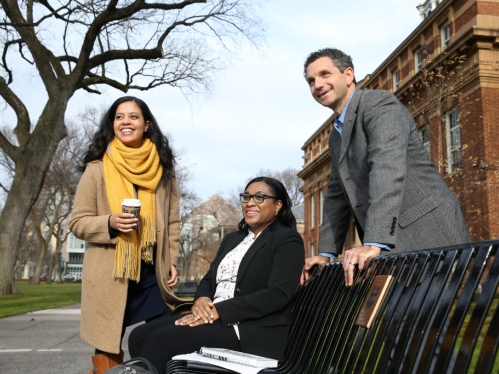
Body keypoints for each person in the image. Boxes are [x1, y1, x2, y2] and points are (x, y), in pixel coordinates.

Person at [301, 48, 471, 287]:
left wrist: (373, 241)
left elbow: (387, 169)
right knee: (400, 322)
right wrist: (326, 253)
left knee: (441, 322)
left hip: (429, 236)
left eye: (325, 74)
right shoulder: (336, 136)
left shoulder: (378, 104)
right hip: (393, 252)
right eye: (311, 80)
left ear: (348, 75)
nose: (317, 84)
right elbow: (337, 197)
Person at [128, 177, 304, 373]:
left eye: (260, 197)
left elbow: (277, 295)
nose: (250, 202)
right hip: (215, 319)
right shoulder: (233, 239)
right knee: (140, 334)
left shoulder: (287, 240)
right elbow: (209, 280)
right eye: (246, 197)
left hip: (248, 330)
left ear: (278, 205)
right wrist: (202, 299)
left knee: (162, 339)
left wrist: (220, 311)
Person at [69, 96, 183, 373]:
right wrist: (109, 223)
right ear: (113, 124)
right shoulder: (96, 169)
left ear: (146, 124)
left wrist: (172, 259)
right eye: (119, 117)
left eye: (133, 116)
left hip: (151, 272)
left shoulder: (163, 171)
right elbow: (77, 222)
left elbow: (172, 222)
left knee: (163, 334)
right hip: (112, 272)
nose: (126, 122)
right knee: (107, 344)